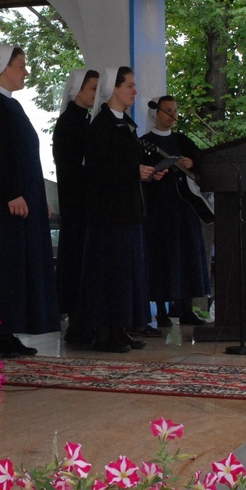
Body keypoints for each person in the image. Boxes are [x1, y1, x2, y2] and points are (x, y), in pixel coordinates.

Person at [0, 44, 60, 358]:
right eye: (21, 65)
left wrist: (36, 195)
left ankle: (5, 331)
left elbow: (23, 156)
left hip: (18, 204)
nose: (26, 72)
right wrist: (11, 193)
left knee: (14, 270)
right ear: (3, 68)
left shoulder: (8, 104)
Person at [80, 66, 166, 353]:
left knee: (126, 273)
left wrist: (150, 172)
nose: (134, 91)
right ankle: (105, 332)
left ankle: (121, 327)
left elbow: (129, 164)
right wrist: (134, 171)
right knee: (110, 273)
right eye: (129, 85)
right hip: (109, 214)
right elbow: (97, 169)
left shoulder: (127, 123)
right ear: (113, 89)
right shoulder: (100, 125)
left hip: (128, 210)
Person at [142, 95, 210, 327]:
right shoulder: (145, 142)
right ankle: (160, 312)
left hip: (185, 209)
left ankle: (187, 309)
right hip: (159, 211)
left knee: (188, 257)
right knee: (161, 258)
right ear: (157, 113)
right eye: (168, 110)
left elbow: (203, 165)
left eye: (175, 111)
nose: (173, 115)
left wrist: (193, 163)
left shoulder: (183, 141)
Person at [53, 69, 99, 344]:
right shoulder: (69, 123)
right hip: (75, 203)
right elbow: (70, 167)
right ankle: (76, 320)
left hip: (86, 203)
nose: (96, 94)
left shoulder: (85, 121)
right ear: (78, 90)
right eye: (93, 88)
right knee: (75, 259)